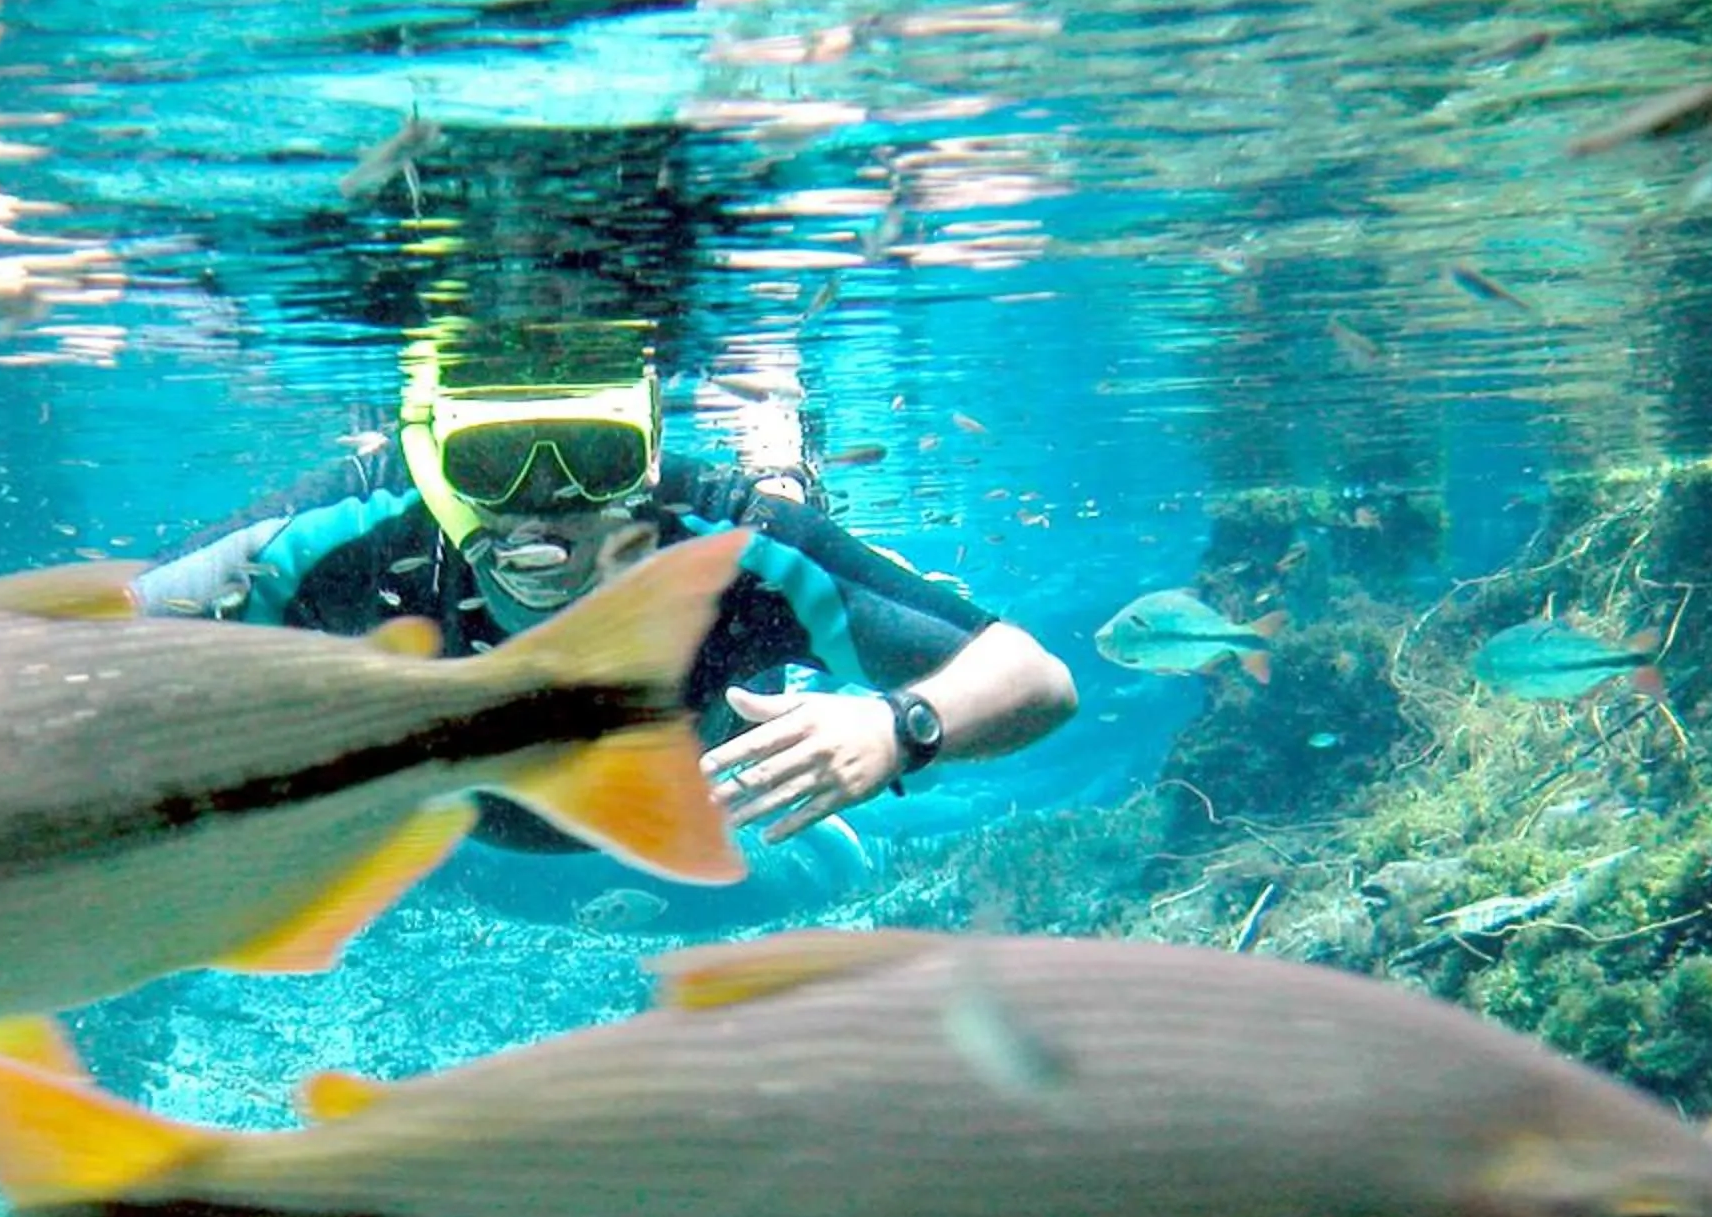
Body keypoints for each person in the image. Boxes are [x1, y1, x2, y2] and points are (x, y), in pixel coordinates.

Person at [132, 331, 1076, 852]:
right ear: (433, 460)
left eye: (593, 457)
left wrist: (896, 730)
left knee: (795, 551)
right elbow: (104, 641)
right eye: (493, 462)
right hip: (463, 811)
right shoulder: (362, 525)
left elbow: (1035, 677)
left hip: (696, 768)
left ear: (645, 459)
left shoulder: (723, 539)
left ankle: (793, 478)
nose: (544, 505)